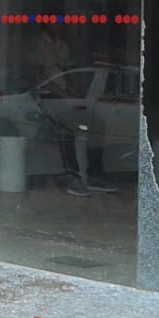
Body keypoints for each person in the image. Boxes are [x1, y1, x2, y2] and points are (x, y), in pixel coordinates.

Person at [33, 23, 115, 197]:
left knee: (97, 123)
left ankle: (95, 175)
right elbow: (40, 78)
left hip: (68, 97)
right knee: (66, 127)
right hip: (49, 98)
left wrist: (76, 93)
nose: (59, 25)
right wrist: (66, 96)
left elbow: (70, 71)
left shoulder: (62, 45)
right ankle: (71, 175)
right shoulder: (38, 44)